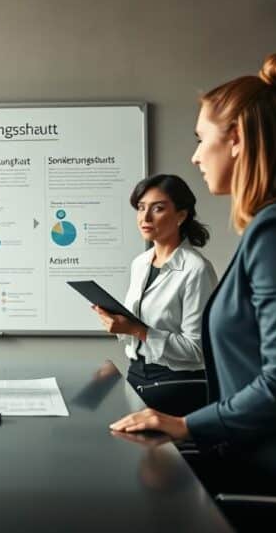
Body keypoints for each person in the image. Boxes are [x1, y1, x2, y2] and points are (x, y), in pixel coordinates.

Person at [109, 53, 276, 506]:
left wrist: (187, 425)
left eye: (201, 139)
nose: (195, 156)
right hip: (272, 458)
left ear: (235, 138)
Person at [92, 174, 217, 416]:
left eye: (158, 208)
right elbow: (137, 333)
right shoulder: (140, 263)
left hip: (177, 383)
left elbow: (197, 350)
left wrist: (136, 330)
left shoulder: (196, 269)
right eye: (141, 208)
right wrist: (118, 326)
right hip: (137, 374)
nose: (145, 217)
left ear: (181, 215)